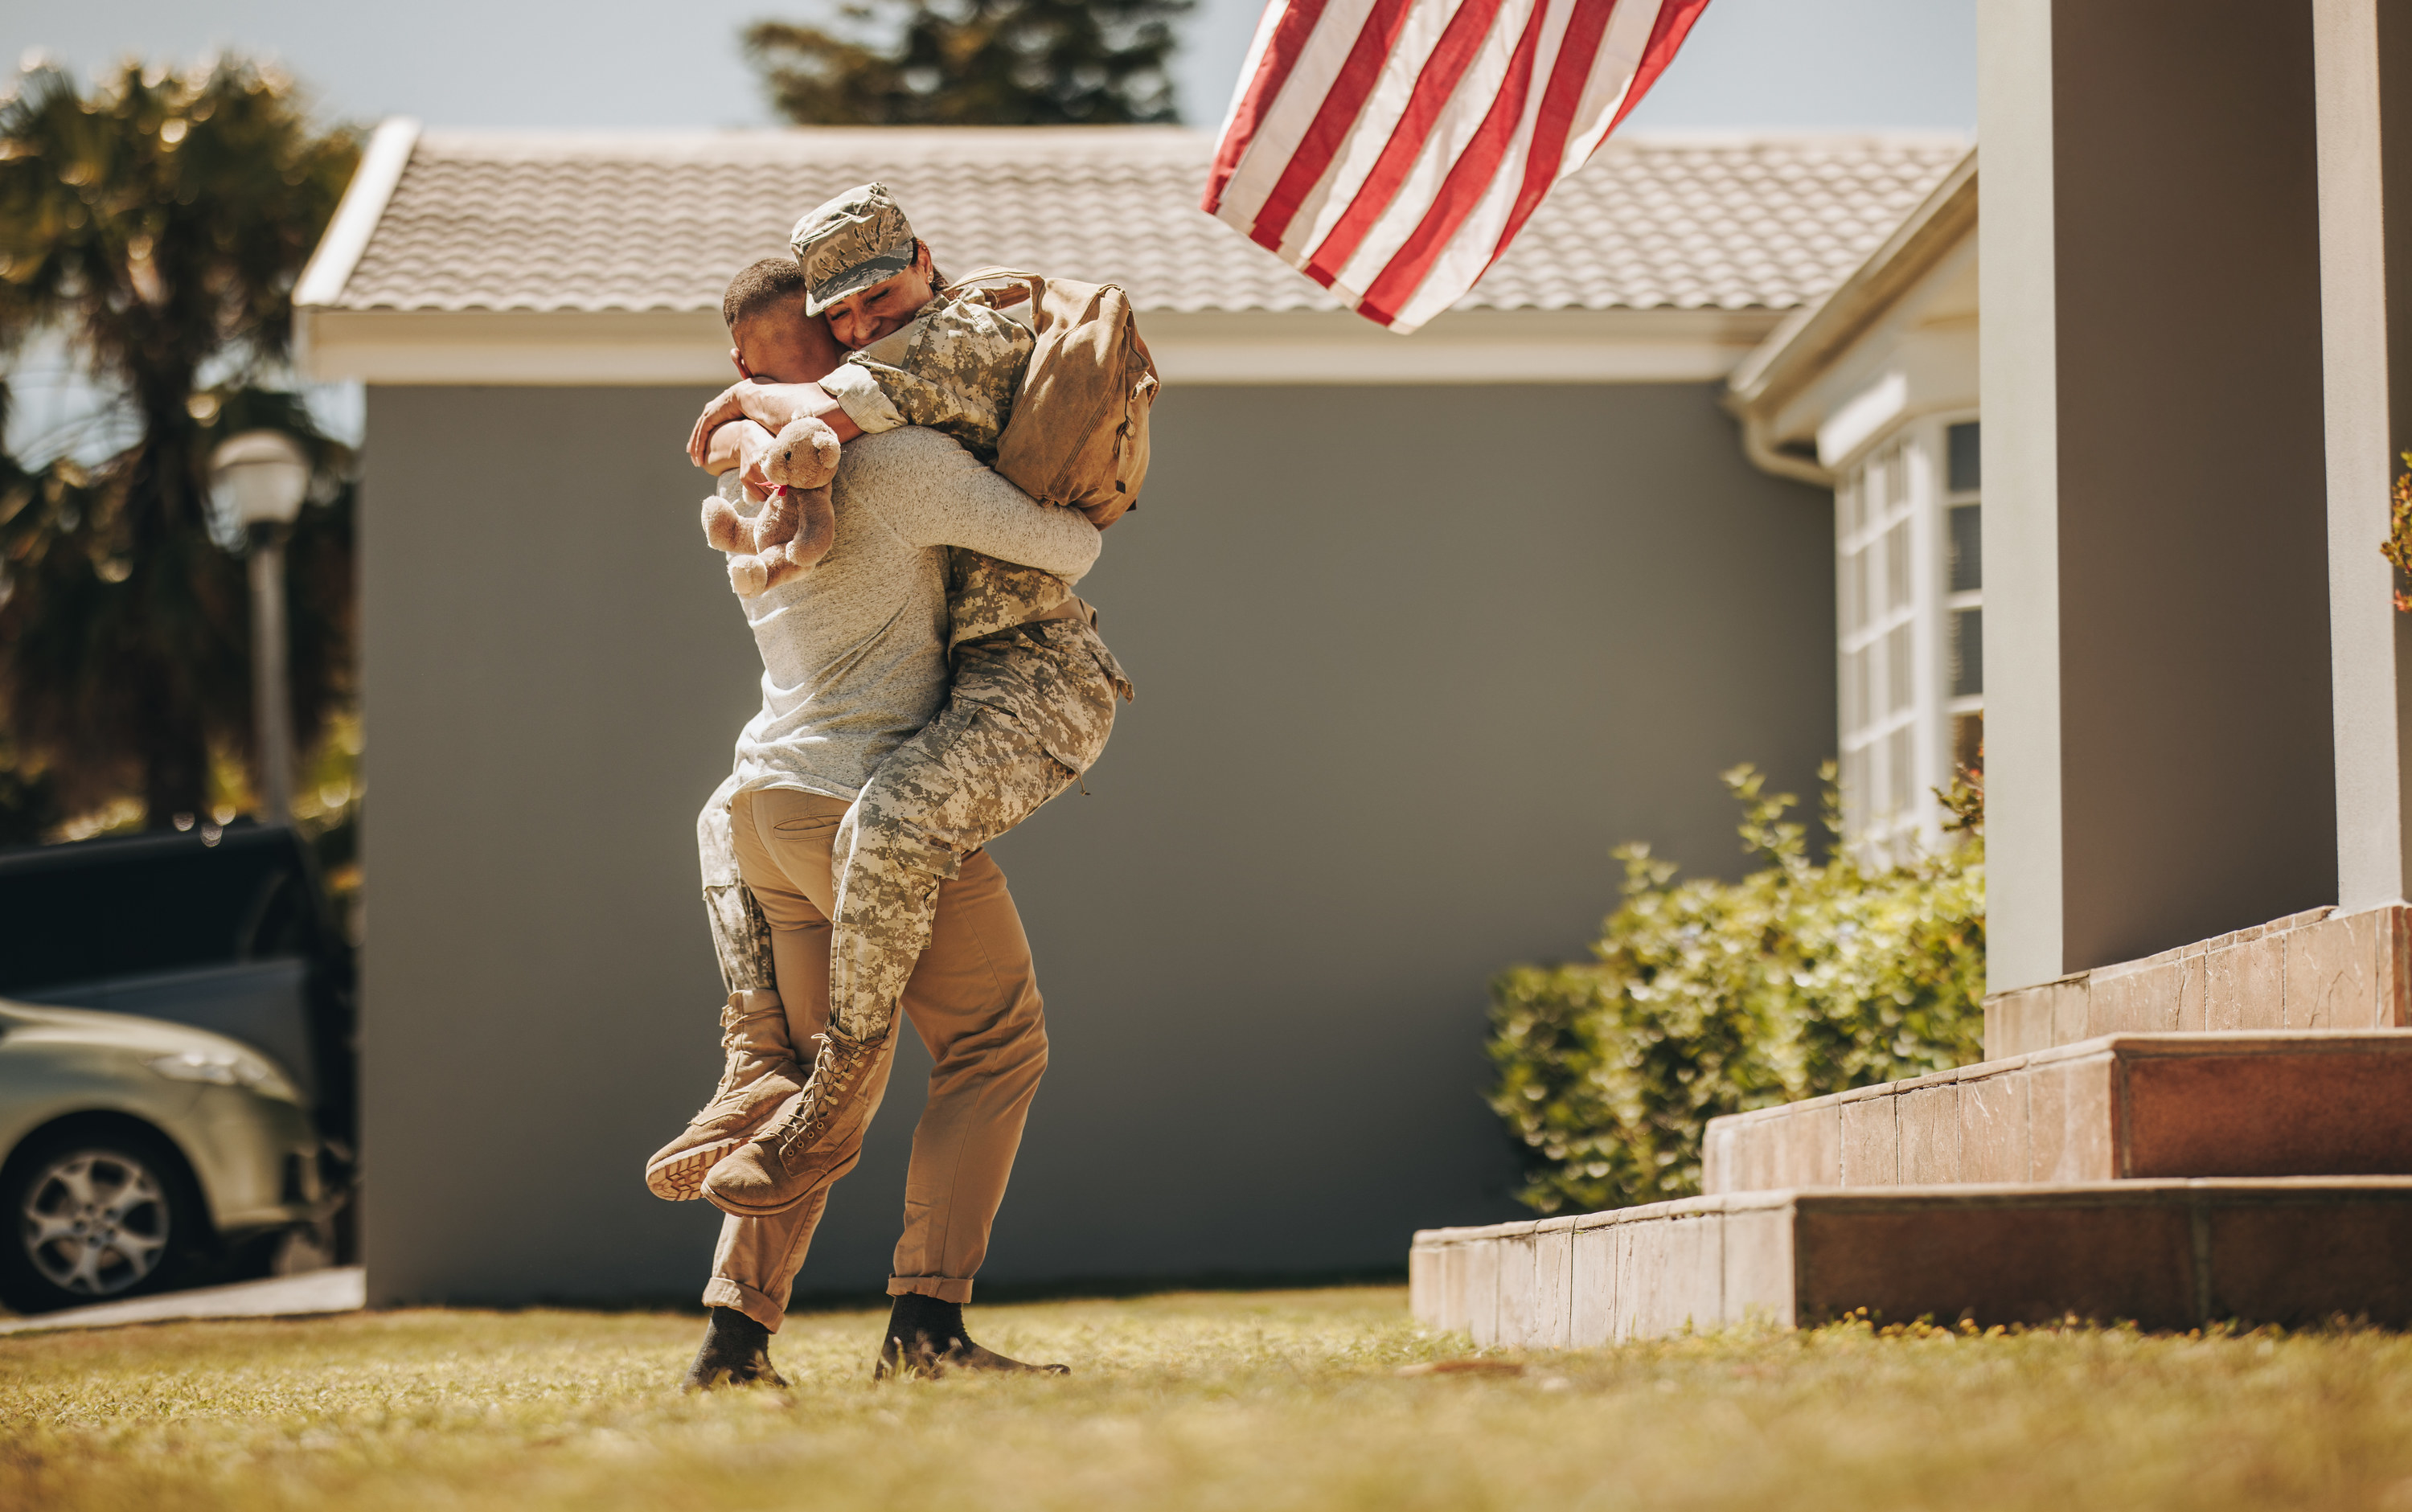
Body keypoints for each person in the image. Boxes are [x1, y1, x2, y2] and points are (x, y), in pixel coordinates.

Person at [654, 186, 1130, 1237]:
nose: (870, 323)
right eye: (846, 315)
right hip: (861, 776)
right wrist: (774, 419)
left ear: (925, 258)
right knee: (982, 1043)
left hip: (1001, 686)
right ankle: (880, 1280)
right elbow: (849, 404)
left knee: (814, 1018)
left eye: (882, 295)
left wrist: (754, 411)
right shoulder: (886, 457)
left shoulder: (947, 345)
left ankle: (772, 1112)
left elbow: (857, 392)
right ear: (823, 327)